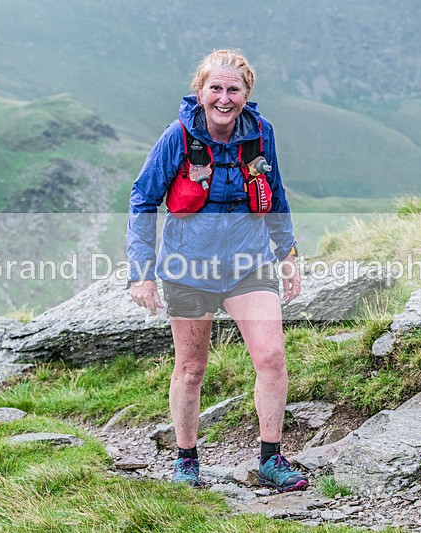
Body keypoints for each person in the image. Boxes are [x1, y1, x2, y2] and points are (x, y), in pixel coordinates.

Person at [126, 49, 308, 493]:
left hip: (249, 264)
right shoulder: (179, 136)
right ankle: (187, 459)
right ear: (200, 91)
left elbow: (276, 194)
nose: (224, 98)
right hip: (188, 268)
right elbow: (142, 198)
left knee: (271, 357)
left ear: (246, 94)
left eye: (234, 89)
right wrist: (141, 273)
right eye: (216, 88)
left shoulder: (261, 134)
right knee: (191, 367)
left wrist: (288, 255)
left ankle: (271, 458)